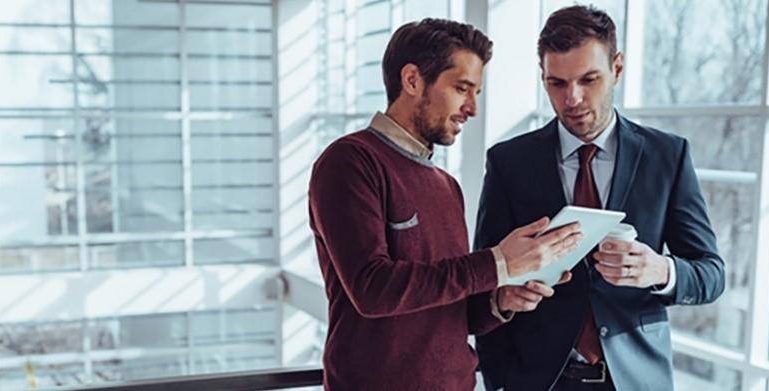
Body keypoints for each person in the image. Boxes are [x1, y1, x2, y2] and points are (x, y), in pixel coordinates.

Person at [308, 18, 581, 390]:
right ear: (412, 80)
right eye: (461, 88)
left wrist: (500, 300)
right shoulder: (351, 161)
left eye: (476, 93)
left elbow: (451, 310)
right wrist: (498, 262)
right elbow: (372, 289)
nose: (472, 108)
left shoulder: (446, 186)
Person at [473, 5, 726, 391]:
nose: (572, 98)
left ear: (617, 69)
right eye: (557, 83)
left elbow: (711, 274)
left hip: (636, 381)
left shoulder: (668, 157)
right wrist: (499, 379)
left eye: (588, 79)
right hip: (537, 382)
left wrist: (660, 271)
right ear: (542, 78)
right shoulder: (509, 163)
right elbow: (483, 284)